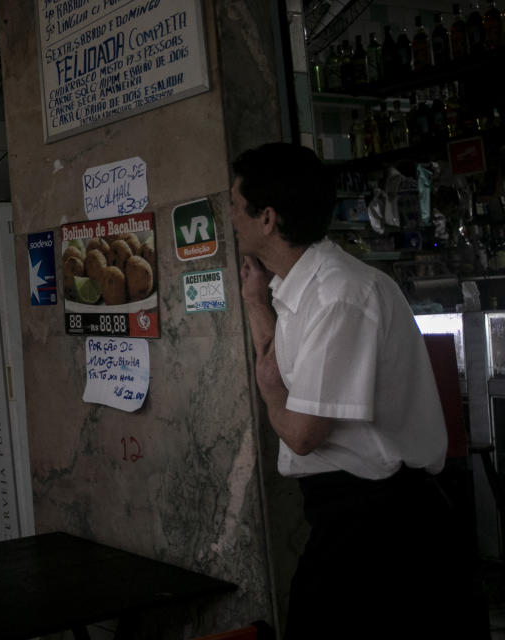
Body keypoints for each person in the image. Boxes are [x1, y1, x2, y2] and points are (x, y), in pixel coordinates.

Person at [232, 142, 470, 639]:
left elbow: (302, 433)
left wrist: (272, 397)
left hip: (386, 523)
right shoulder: (297, 287)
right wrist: (255, 299)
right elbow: (275, 365)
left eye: (235, 205)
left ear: (267, 218)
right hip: (346, 513)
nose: (229, 217)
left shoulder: (340, 294)